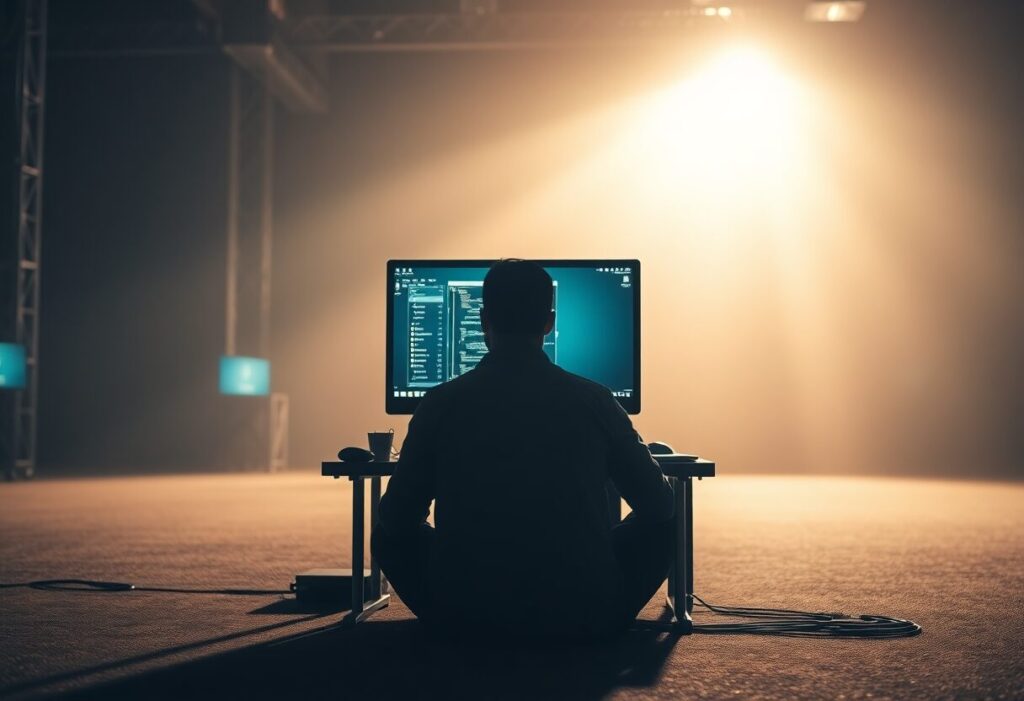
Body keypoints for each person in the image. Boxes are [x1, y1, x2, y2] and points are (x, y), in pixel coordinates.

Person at [372, 259, 674, 640]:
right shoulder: (596, 400)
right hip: (581, 613)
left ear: (483, 321)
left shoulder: (439, 403)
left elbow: (397, 519)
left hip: (466, 612)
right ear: (548, 323)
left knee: (385, 534)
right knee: (667, 525)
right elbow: (658, 508)